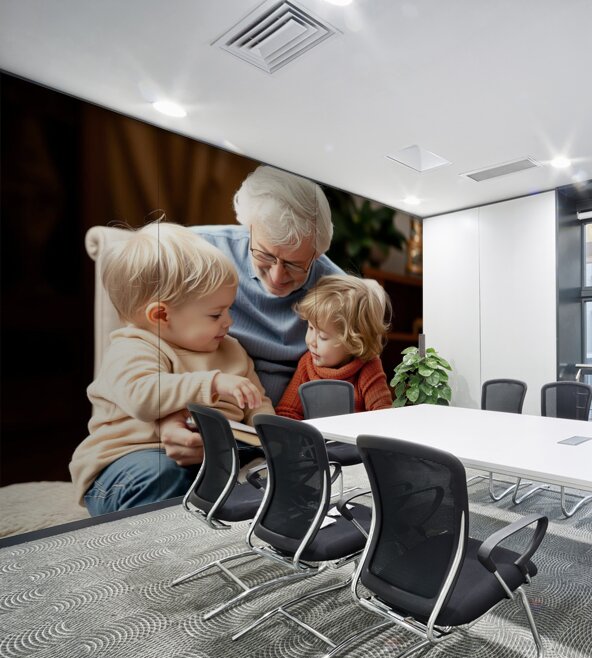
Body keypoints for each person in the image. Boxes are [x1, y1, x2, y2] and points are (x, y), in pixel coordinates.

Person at [70, 223, 274, 515]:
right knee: (163, 475)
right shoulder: (134, 346)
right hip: (128, 462)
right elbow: (143, 396)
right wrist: (213, 384)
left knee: (261, 472)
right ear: (161, 315)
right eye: (216, 314)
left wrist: (269, 432)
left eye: (229, 309)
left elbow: (257, 400)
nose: (228, 321)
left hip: (214, 459)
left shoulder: (231, 350)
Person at [160, 165, 343, 465]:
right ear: (249, 228)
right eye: (265, 255)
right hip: (201, 419)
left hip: (284, 435)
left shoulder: (334, 289)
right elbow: (144, 336)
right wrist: (165, 419)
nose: (277, 276)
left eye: (296, 265)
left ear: (318, 253)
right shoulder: (200, 251)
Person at [276, 275, 393, 419]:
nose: (311, 341)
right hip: (315, 440)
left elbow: (383, 416)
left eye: (323, 336)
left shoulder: (368, 367)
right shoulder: (306, 364)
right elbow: (287, 412)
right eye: (311, 328)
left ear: (353, 342)